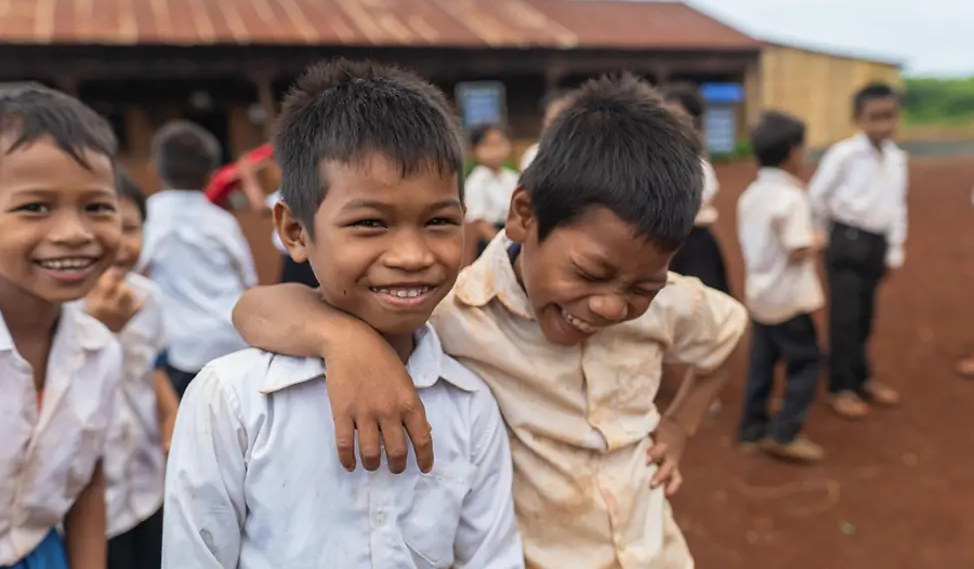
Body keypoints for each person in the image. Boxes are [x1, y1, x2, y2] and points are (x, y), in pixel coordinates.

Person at [231, 74, 749, 568]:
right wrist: (341, 337)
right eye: (590, 273)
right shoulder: (453, 308)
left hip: (655, 554)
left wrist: (679, 426)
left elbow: (729, 331)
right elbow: (254, 309)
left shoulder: (671, 301)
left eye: (641, 287)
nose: (612, 307)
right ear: (522, 214)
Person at [162, 60, 523, 569]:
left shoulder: (470, 406)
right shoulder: (235, 400)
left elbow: (490, 559)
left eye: (440, 221)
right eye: (371, 222)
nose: (412, 255)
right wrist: (345, 341)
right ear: (294, 231)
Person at [0, 86, 123, 569]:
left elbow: (87, 480)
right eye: (35, 207)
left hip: (39, 552)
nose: (74, 232)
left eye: (97, 206)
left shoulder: (100, 351)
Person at [84, 171, 178, 569]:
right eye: (107, 226)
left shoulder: (148, 298)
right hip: (89, 507)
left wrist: (172, 417)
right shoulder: (59, 310)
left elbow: (152, 369)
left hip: (147, 488)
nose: (123, 245)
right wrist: (98, 330)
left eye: (133, 228)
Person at [808, 83, 908, 419]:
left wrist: (894, 250)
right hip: (847, 240)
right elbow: (817, 196)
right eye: (875, 117)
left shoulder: (897, 159)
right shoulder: (844, 155)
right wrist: (821, 233)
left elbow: (897, 206)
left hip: (876, 243)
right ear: (858, 119)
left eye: (890, 116)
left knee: (865, 315)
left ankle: (861, 377)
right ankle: (841, 387)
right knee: (845, 317)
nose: (884, 125)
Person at [139, 121, 258, 398]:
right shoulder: (222, 222)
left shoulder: (150, 217)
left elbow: (137, 268)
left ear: (156, 170)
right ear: (211, 174)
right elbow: (248, 279)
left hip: (180, 349)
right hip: (231, 342)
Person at [737, 112, 826, 463]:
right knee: (808, 362)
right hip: (788, 298)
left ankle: (751, 428)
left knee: (762, 363)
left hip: (759, 294)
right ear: (793, 152)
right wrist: (819, 240)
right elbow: (797, 247)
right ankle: (784, 432)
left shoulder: (752, 194)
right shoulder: (791, 199)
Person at [662, 84, 731, 296]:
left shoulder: (698, 163)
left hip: (695, 244)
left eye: (677, 114)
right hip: (664, 244)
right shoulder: (655, 159)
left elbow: (699, 199)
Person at [464, 123, 518, 257]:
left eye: (500, 144)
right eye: (488, 145)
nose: (495, 151)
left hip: (512, 233)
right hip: (489, 241)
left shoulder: (512, 177)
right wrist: (503, 244)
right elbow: (478, 222)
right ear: (475, 149)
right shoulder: (475, 182)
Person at [519, 89, 572, 171]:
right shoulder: (533, 154)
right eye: (552, 120)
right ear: (544, 122)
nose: (557, 126)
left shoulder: (585, 153)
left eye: (562, 120)